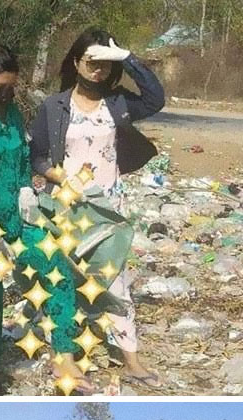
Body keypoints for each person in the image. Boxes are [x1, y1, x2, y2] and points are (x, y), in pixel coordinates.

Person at [29, 28, 165, 389]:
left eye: (105, 64)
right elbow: (38, 154)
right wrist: (55, 176)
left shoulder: (117, 104)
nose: (98, 71)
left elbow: (155, 100)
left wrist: (129, 59)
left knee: (116, 281)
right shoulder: (54, 106)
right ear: (76, 63)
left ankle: (131, 360)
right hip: (66, 207)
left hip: (108, 210)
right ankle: (67, 359)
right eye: (91, 62)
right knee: (65, 281)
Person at [0, 46, 93, 395]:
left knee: (56, 267)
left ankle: (63, 355)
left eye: (11, 86)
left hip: (18, 219)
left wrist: (27, 193)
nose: (6, 93)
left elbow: (22, 162)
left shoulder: (13, 114)